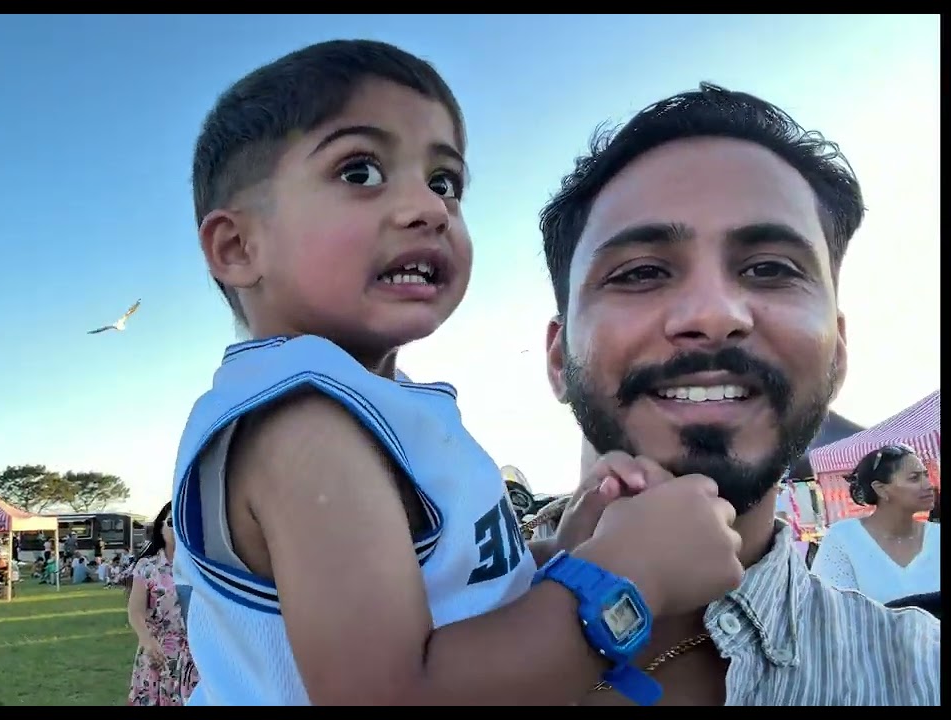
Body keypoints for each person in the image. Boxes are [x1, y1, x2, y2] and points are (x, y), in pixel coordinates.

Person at [172, 40, 741, 706]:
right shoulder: (302, 425)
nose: (430, 208)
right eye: (360, 172)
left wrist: (563, 551)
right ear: (239, 247)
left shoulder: (381, 408)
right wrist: (632, 572)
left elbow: (451, 602)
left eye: (445, 181)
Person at [534, 82, 939, 705]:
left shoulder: (922, 673)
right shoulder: (377, 651)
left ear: (838, 349)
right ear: (560, 356)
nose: (713, 313)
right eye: (641, 272)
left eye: (771, 268)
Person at [811, 445, 940, 603]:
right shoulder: (844, 538)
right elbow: (830, 607)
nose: (928, 485)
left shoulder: (937, 536)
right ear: (881, 489)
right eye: (914, 478)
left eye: (926, 476)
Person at [127, 503, 198, 706]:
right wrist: (146, 640)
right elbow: (135, 611)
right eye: (171, 522)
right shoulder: (147, 567)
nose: (176, 528)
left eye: (182, 522)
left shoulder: (204, 569)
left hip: (196, 655)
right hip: (157, 653)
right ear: (160, 527)